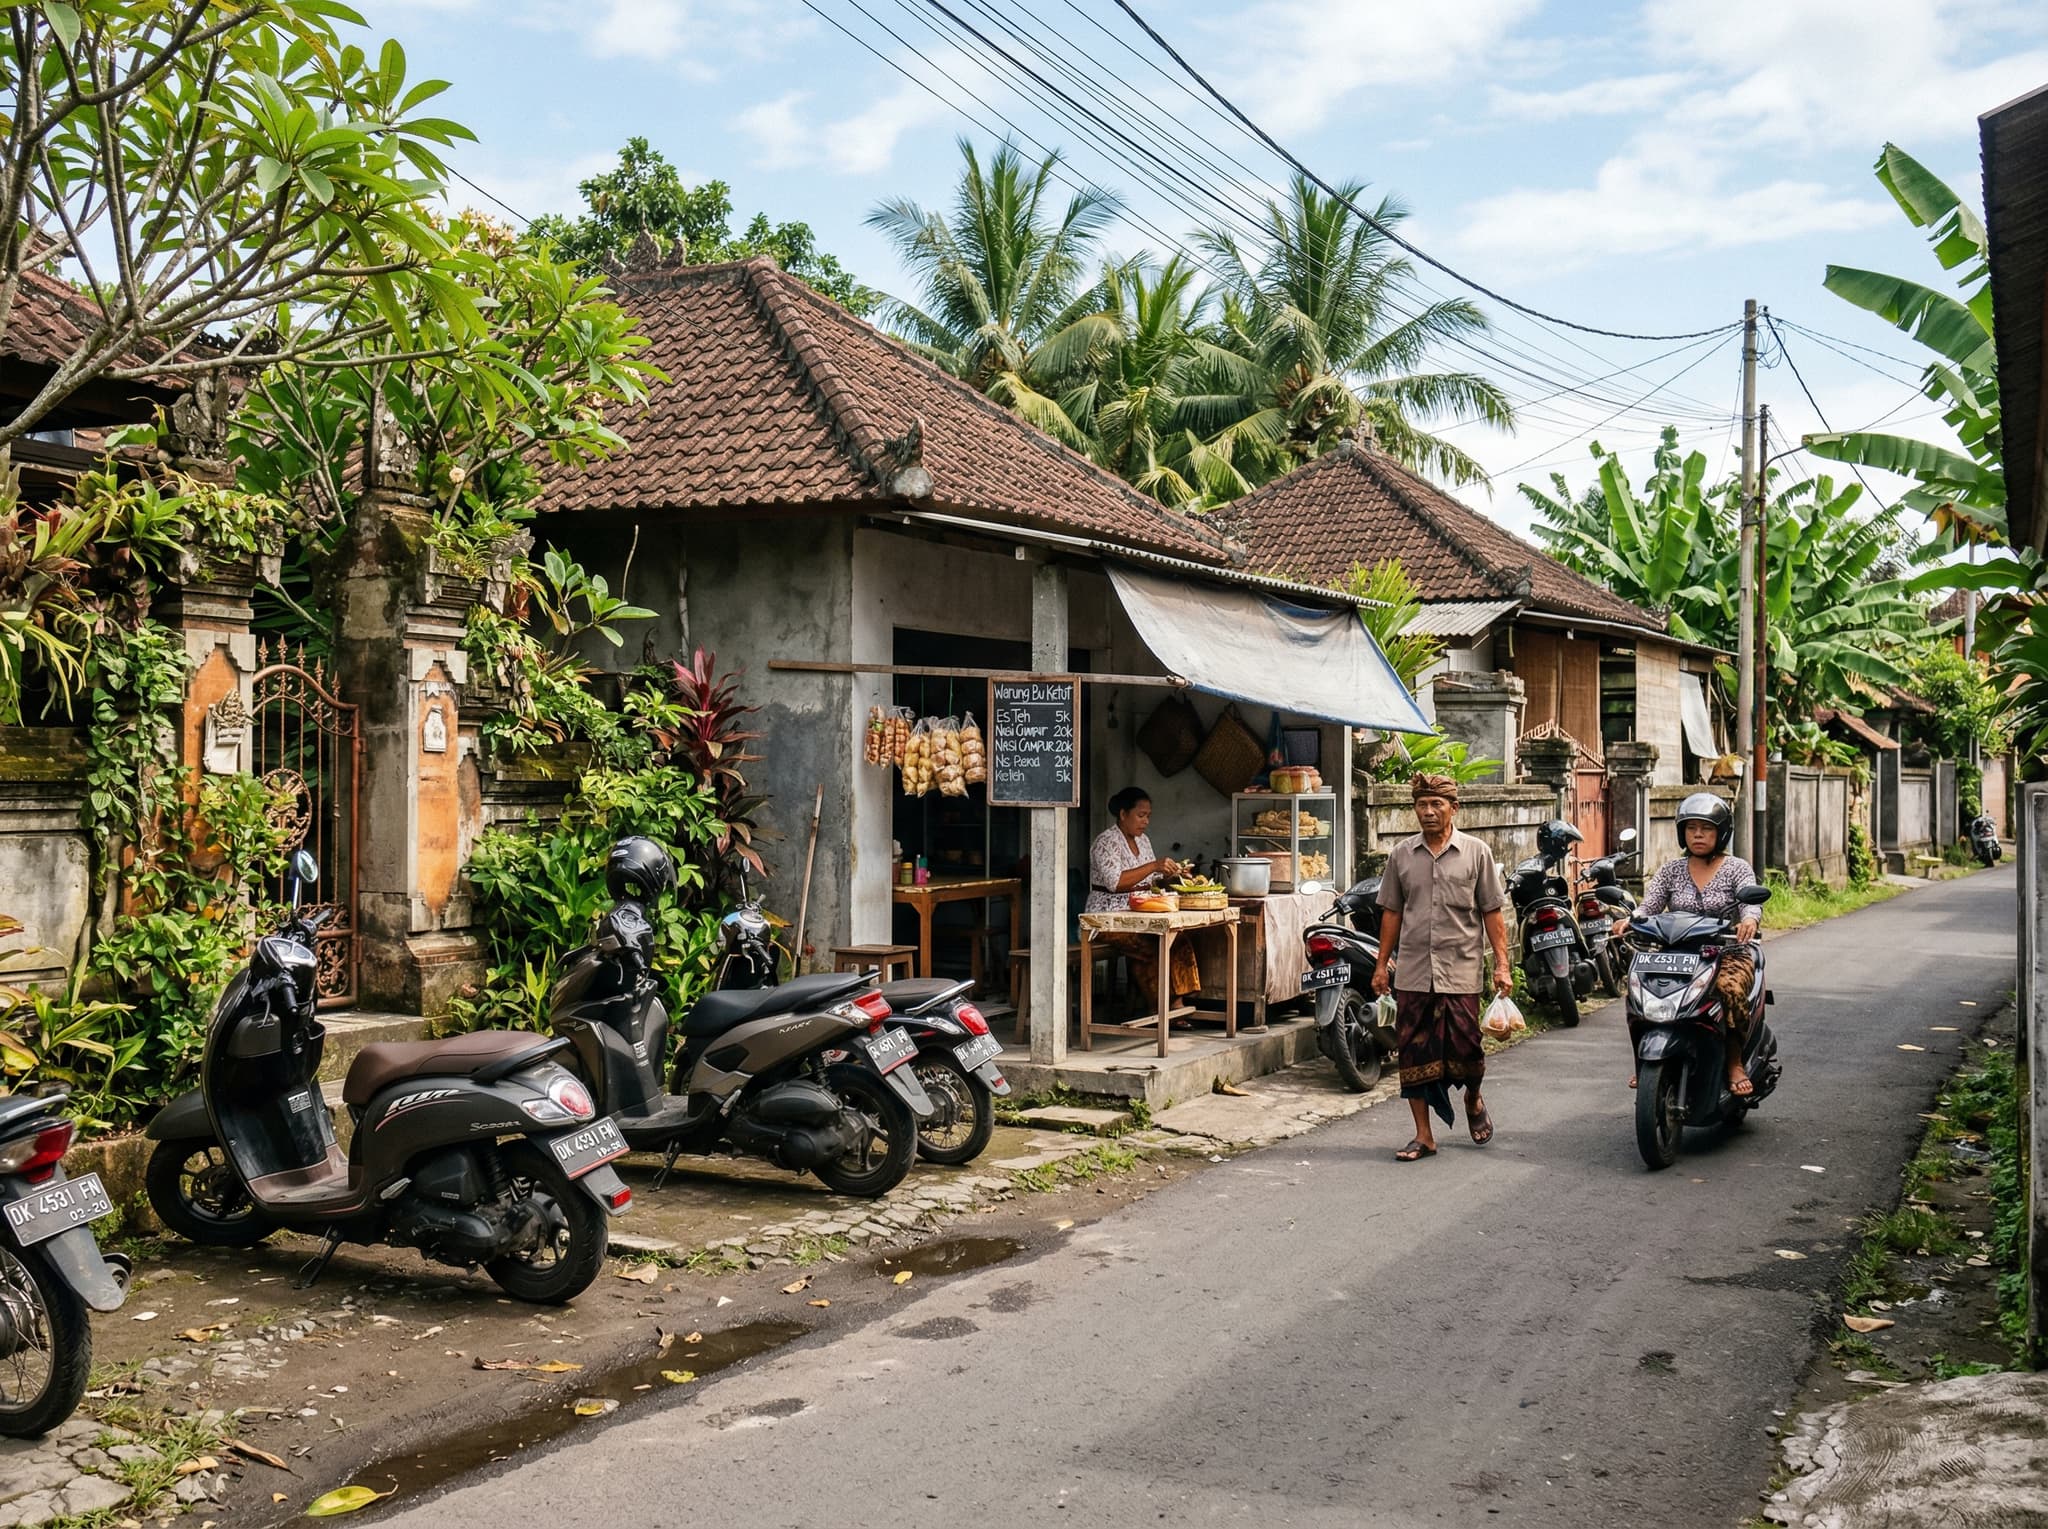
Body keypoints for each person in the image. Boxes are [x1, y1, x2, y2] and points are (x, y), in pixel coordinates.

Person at [1372, 773, 1513, 1161]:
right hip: (1415, 970)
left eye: (1437, 804)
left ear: (1454, 808)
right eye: (1422, 804)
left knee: (1468, 1048)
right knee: (1413, 1051)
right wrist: (1382, 965)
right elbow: (1391, 913)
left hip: (1461, 968)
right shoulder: (1402, 854)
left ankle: (1472, 1097)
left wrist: (1502, 965)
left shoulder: (1476, 852)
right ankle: (1424, 1136)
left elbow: (1492, 912)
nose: (1429, 812)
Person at [1614, 792, 1762, 1095]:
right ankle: (1644, 1061)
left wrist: (1750, 920)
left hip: (1727, 952)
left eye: (1706, 828)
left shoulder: (1737, 868)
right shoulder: (1671, 870)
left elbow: (1750, 900)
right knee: (1638, 993)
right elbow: (1650, 905)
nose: (1697, 834)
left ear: (1720, 833)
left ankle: (1734, 1060)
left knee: (1730, 990)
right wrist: (1632, 919)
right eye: (1691, 827)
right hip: (1676, 953)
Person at [1086, 786, 1200, 1008]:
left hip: (1141, 913)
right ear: (1122, 814)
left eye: (1148, 816)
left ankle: (1178, 1002)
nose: (1145, 821)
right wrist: (1154, 866)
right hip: (1107, 919)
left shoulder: (1143, 841)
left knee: (1178, 939)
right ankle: (1164, 1008)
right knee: (1152, 944)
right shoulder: (1106, 842)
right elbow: (1115, 882)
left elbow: (1154, 879)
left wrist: (1174, 874)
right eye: (1140, 815)